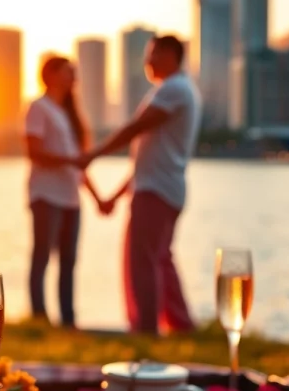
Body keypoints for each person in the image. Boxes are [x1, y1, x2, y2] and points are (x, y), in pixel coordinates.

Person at [78, 35, 202, 335]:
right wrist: (115, 196)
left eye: (153, 54)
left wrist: (93, 154)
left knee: (143, 262)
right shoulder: (177, 89)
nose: (148, 61)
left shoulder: (174, 89)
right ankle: (180, 325)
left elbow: (135, 128)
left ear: (172, 55)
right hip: (161, 187)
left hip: (157, 190)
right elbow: (144, 161)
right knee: (160, 259)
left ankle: (146, 330)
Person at [24, 56, 107, 328]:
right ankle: (39, 320)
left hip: (71, 199)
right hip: (46, 195)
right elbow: (34, 152)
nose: (74, 77)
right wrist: (71, 161)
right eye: (68, 72)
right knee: (42, 257)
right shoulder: (38, 108)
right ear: (50, 75)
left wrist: (97, 198)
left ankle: (68, 321)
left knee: (69, 261)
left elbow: (78, 164)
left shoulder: (69, 114)